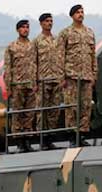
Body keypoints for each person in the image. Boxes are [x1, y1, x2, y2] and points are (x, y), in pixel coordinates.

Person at [56, 4, 96, 138]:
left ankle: (83, 134)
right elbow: (60, 56)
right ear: (72, 15)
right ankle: (73, 135)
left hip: (87, 76)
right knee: (72, 107)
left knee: (86, 106)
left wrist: (94, 74)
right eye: (78, 12)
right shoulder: (65, 33)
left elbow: (93, 55)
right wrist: (61, 77)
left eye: (82, 12)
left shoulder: (89, 32)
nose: (81, 14)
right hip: (71, 76)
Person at [4, 19, 37, 152]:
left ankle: (28, 141)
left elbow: (37, 64)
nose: (25, 29)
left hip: (30, 85)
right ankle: (19, 142)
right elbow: (7, 67)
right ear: (18, 30)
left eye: (27, 27)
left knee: (29, 114)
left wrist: (35, 82)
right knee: (18, 114)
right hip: (17, 85)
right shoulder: (11, 47)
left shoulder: (33, 46)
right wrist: (8, 87)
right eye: (23, 27)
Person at [33, 12, 63, 148]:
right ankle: (42, 139)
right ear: (41, 24)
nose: (49, 23)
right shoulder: (37, 42)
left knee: (54, 110)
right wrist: (34, 81)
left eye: (51, 21)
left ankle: (50, 137)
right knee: (42, 110)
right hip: (42, 80)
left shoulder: (57, 40)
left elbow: (61, 59)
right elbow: (33, 62)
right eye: (46, 21)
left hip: (56, 79)